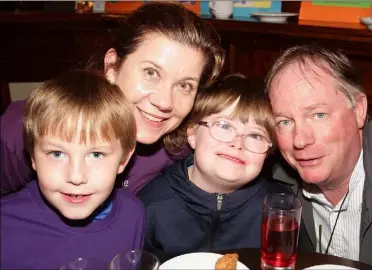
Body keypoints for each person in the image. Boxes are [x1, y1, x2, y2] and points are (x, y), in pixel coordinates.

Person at [0, 2, 225, 197]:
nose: (165, 102)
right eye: (151, 73)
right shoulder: (27, 128)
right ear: (112, 66)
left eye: (185, 85)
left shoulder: (181, 145)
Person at [264, 44, 372, 270]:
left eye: (318, 115)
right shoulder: (269, 182)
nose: (300, 140)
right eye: (284, 122)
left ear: (358, 111)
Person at [1, 70, 145, 269]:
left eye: (96, 155)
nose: (76, 176)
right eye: (57, 154)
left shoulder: (134, 214)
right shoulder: (6, 226)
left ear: (123, 160)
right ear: (33, 156)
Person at [137, 74, 289, 262]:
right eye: (224, 126)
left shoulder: (281, 210)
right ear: (192, 134)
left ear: (268, 152)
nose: (238, 144)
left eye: (256, 136)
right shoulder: (148, 207)